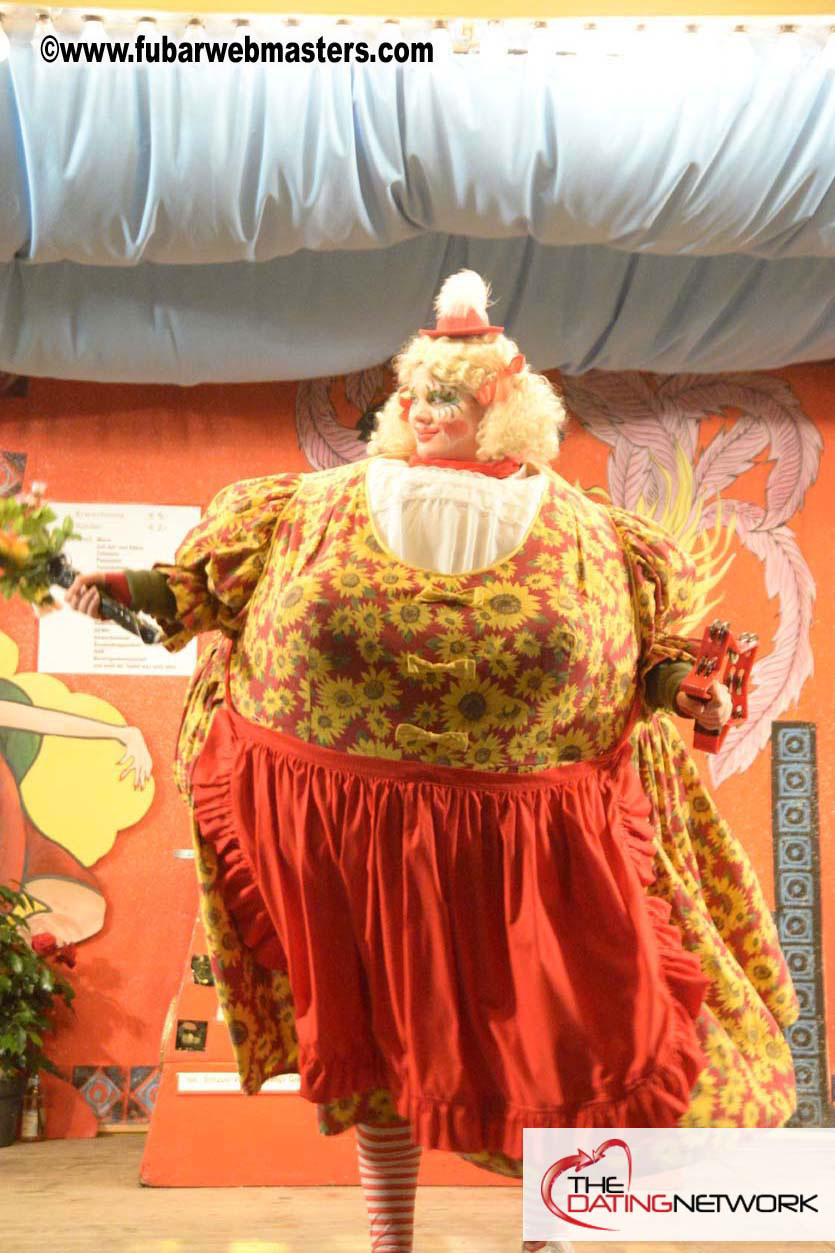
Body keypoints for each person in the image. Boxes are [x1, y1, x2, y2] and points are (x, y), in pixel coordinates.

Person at [65, 270, 799, 1253]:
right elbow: (198, 589)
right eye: (411, 389)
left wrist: (688, 689)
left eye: (445, 393)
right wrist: (133, 588)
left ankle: (553, 1233)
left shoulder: (597, 538)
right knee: (375, 1043)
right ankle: (388, 1237)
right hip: (350, 837)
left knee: (556, 1047)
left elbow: (655, 657)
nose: (417, 406)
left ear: (507, 411)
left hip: (538, 847)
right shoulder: (301, 508)